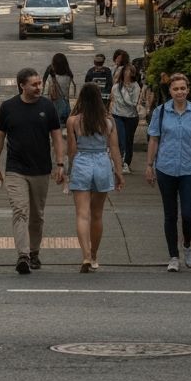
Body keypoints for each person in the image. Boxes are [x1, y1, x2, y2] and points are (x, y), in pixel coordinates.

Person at [0, 67, 66, 275]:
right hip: (16, 169)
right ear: (22, 85)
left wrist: (60, 164)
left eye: (39, 84)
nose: (38, 87)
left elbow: (57, 136)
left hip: (41, 169)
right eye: (33, 84)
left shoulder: (47, 107)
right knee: (20, 210)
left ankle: (34, 252)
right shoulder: (8, 107)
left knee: (37, 215)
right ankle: (22, 255)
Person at [145, 72, 191, 272]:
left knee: (189, 214)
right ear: (170, 91)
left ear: (188, 89)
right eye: (176, 89)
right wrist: (149, 165)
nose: (180, 92)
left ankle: (187, 245)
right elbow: (154, 139)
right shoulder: (161, 112)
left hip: (189, 169)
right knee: (170, 214)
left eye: (183, 88)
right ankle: (173, 255)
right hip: (165, 167)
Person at [67, 82, 124, 272]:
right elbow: (114, 147)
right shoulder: (108, 121)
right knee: (97, 214)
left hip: (82, 162)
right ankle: (94, 255)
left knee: (82, 214)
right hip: (102, 162)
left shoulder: (74, 121)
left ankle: (84, 256)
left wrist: (69, 170)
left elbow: (72, 150)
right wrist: (118, 171)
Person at [110, 63, 142, 173]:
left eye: (130, 71)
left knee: (129, 140)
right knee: (120, 138)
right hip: (118, 115)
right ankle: (118, 161)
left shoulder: (136, 86)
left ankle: (126, 162)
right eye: (126, 71)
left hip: (131, 117)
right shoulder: (117, 86)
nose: (127, 73)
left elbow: (133, 102)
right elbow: (114, 99)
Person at [42, 51, 76, 128]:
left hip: (52, 103)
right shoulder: (69, 76)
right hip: (64, 104)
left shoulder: (50, 78)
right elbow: (71, 94)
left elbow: (45, 92)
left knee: (53, 125)